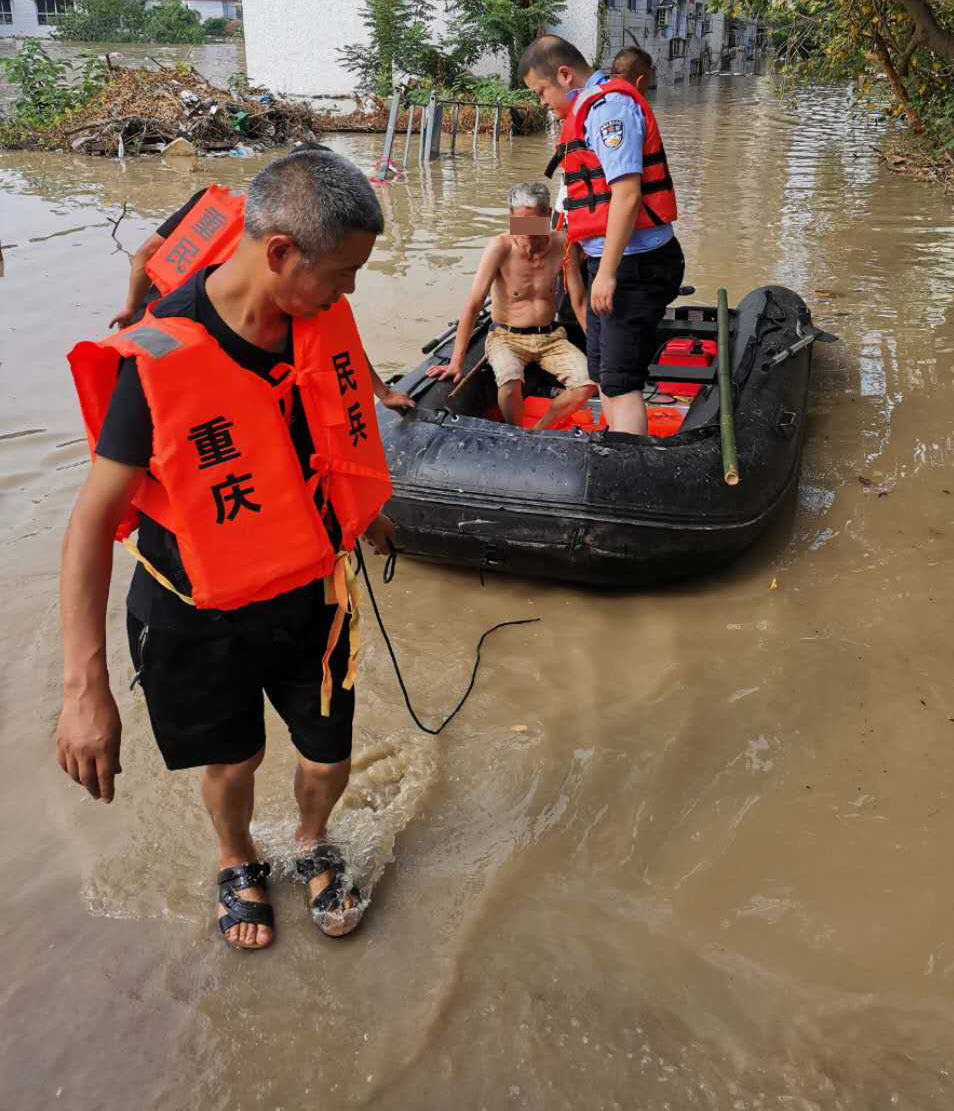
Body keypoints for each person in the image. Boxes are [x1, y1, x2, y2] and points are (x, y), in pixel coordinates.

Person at [58, 148, 397, 952]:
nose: (348, 293)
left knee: (326, 752)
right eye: (341, 274)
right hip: (196, 609)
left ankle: (313, 841)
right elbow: (89, 524)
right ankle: (236, 858)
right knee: (233, 760)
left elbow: (334, 410)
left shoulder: (313, 319)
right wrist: (84, 690)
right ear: (279, 253)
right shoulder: (162, 362)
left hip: (310, 594)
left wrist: (365, 511)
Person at [109, 163, 414, 413]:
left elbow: (148, 252)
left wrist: (130, 306)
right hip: (183, 329)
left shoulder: (223, 210)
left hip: (159, 317)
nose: (349, 288)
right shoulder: (294, 267)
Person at [520, 36, 684, 436]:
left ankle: (627, 470)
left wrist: (607, 273)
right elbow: (574, 204)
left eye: (541, 91)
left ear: (564, 74)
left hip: (633, 264)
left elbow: (627, 194)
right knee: (601, 369)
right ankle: (614, 443)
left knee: (619, 379)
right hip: (606, 259)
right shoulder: (583, 117)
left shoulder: (609, 109)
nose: (542, 102)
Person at [426, 181, 596, 430]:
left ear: (549, 214)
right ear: (511, 218)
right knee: (509, 383)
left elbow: (579, 302)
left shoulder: (563, 244)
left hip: (552, 338)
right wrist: (456, 362)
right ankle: (516, 432)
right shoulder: (500, 247)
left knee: (587, 385)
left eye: (534, 223)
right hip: (506, 337)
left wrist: (599, 352)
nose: (527, 232)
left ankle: (538, 431)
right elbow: (473, 304)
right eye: (520, 222)